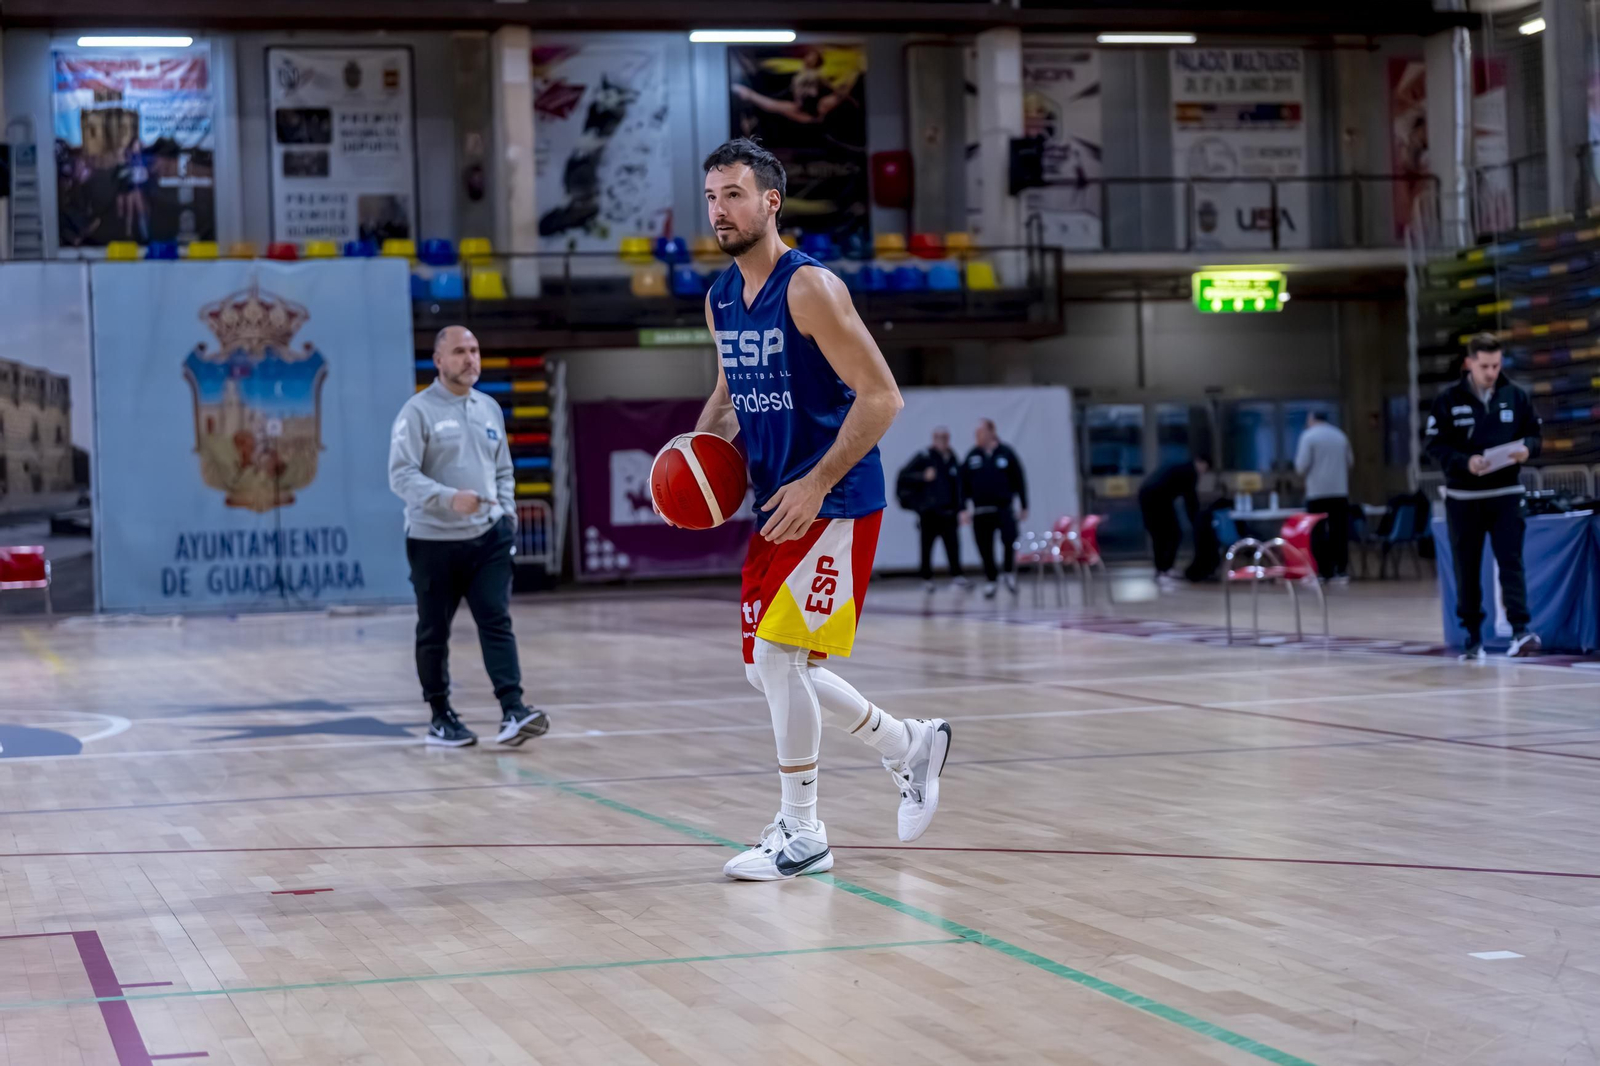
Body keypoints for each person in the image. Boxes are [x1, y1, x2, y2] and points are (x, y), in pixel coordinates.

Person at [675, 138, 950, 881]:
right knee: (770, 672)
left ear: (771, 201)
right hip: (778, 505)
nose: (719, 210)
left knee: (777, 657)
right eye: (710, 196)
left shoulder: (810, 288)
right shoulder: (721, 297)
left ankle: (803, 833)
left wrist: (819, 482)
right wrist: (694, 455)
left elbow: (883, 397)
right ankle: (907, 745)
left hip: (835, 500)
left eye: (734, 194)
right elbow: (733, 391)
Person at [388, 325, 551, 747]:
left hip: (489, 538)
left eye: (475, 350)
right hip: (433, 541)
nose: (470, 359)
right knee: (434, 630)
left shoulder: (489, 408)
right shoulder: (416, 412)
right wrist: (446, 498)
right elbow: (400, 475)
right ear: (438, 360)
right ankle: (441, 716)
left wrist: (508, 513)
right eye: (459, 351)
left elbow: (503, 470)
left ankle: (514, 710)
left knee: (496, 620)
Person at [1425, 332, 1544, 660]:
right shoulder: (1448, 400)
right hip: (1464, 497)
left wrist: (1526, 449)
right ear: (1469, 364)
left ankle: (1520, 630)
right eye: (1484, 366)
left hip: (1506, 492)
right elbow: (1435, 445)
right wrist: (1465, 462)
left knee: (1511, 562)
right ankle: (1472, 636)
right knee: (1467, 566)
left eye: (1496, 364)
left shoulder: (1516, 395)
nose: (1491, 372)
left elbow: (1535, 434)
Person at [961, 419, 1028, 598]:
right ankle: (991, 579)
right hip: (981, 510)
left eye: (980, 432)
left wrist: (1024, 504)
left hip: (1004, 508)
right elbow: (962, 484)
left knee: (1009, 539)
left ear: (991, 432)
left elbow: (1019, 479)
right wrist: (963, 509)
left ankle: (1008, 573)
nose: (977, 436)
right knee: (984, 546)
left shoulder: (1006, 453)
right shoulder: (972, 455)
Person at [897, 427, 968, 592]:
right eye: (939, 437)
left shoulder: (952, 458)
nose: (942, 441)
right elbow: (904, 476)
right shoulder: (924, 457)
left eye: (945, 437)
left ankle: (957, 575)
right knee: (927, 546)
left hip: (949, 512)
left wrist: (961, 508)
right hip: (929, 513)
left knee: (953, 545)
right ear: (933, 439)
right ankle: (926, 578)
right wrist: (922, 476)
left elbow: (959, 486)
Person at [1294, 411, 1354, 584]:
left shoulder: (1308, 436)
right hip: (1340, 492)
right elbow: (1350, 462)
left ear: (1311, 419)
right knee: (1339, 532)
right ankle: (1341, 571)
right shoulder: (1340, 435)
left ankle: (1322, 572)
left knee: (1317, 532)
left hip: (1317, 493)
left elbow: (1301, 466)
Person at [1139, 454, 1210, 588]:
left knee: (1163, 535)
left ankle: (1163, 569)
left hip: (1151, 497)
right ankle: (1163, 571)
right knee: (1170, 535)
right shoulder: (1190, 472)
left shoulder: (1183, 468)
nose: (1203, 472)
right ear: (1200, 462)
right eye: (1205, 468)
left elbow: (1189, 499)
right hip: (1157, 499)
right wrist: (1196, 521)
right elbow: (1190, 500)